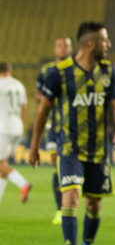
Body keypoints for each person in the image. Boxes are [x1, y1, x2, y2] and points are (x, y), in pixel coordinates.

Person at [29, 23, 115, 245]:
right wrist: (34, 145)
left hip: (98, 150)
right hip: (69, 148)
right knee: (71, 196)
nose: (109, 45)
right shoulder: (59, 73)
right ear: (91, 44)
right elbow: (43, 110)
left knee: (94, 204)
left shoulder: (108, 71)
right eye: (105, 41)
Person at [35, 37, 73, 224]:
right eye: (59, 45)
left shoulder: (76, 70)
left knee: (71, 168)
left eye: (66, 45)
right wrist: (49, 95)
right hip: (53, 125)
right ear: (54, 49)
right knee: (57, 167)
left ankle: (70, 205)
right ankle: (60, 210)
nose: (63, 48)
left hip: (72, 126)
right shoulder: (46, 71)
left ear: (71, 49)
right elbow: (38, 95)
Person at [0, 62, 31, 204]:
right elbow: (24, 107)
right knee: (3, 164)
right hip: (17, 128)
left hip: (3, 128)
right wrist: (20, 124)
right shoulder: (19, 85)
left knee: (0, 164)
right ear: (10, 71)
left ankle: (23, 184)